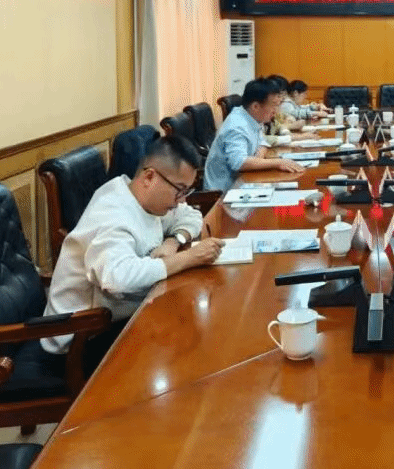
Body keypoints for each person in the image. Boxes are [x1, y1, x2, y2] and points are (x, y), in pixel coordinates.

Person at [41, 136, 224, 368]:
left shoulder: (145, 198)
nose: (181, 201)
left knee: (196, 330)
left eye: (187, 191)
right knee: (187, 353)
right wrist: (187, 258)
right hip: (80, 340)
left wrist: (174, 241)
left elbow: (191, 215)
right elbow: (118, 279)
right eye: (179, 190)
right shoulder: (113, 215)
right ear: (149, 177)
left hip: (121, 316)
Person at [204, 77, 305, 191]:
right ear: (255, 106)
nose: (276, 111)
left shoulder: (252, 117)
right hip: (224, 192)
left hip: (245, 182)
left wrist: (257, 160)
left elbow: (263, 143)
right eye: (274, 105)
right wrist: (278, 162)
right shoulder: (237, 126)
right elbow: (239, 163)